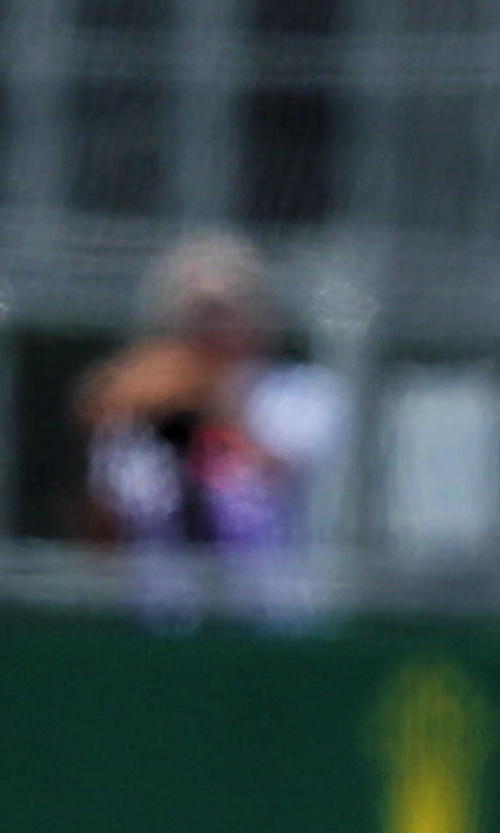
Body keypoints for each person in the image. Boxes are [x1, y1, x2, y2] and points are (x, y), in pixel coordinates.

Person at [74, 234, 342, 629]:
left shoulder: (297, 393)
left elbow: (276, 467)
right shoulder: (145, 406)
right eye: (196, 313)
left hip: (267, 617)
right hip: (163, 618)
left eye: (222, 311)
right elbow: (109, 516)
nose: (208, 327)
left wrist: (207, 395)